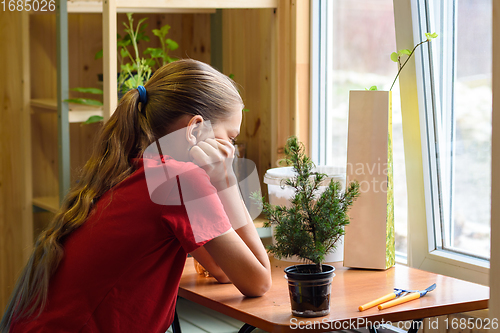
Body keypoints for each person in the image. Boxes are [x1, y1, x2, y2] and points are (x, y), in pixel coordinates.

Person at [0, 59, 272, 333]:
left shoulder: (132, 167)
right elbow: (258, 280)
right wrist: (226, 180)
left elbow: (222, 268)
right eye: (231, 138)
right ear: (195, 129)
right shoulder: (180, 180)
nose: (233, 150)